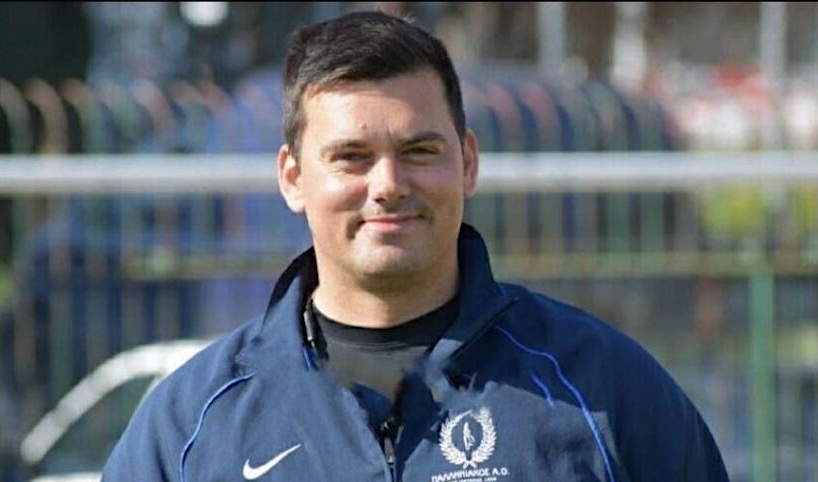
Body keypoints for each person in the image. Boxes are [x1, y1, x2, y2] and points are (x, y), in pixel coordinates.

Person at [101, 9, 730, 481]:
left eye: (419, 151)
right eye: (351, 157)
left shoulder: (603, 388)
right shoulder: (191, 423)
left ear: (468, 162)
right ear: (293, 178)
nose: (388, 185)